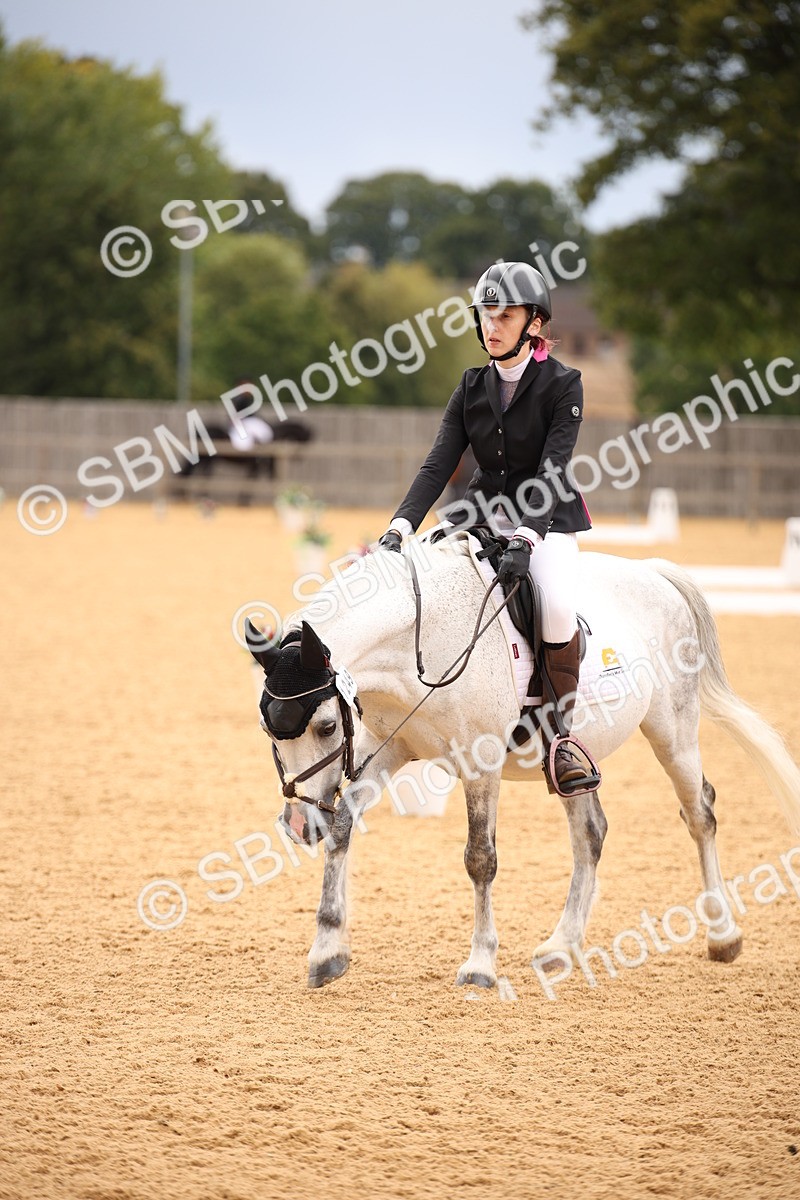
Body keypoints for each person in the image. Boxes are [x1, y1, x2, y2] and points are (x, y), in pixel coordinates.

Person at [378, 261, 595, 791]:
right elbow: (438, 464)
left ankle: (561, 738)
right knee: (425, 578)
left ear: (534, 324)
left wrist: (525, 536)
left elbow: (553, 469)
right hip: (478, 516)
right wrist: (399, 527)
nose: (491, 326)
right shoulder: (472, 385)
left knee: (556, 604)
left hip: (545, 520)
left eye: (505, 316)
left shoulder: (564, 384)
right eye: (485, 315)